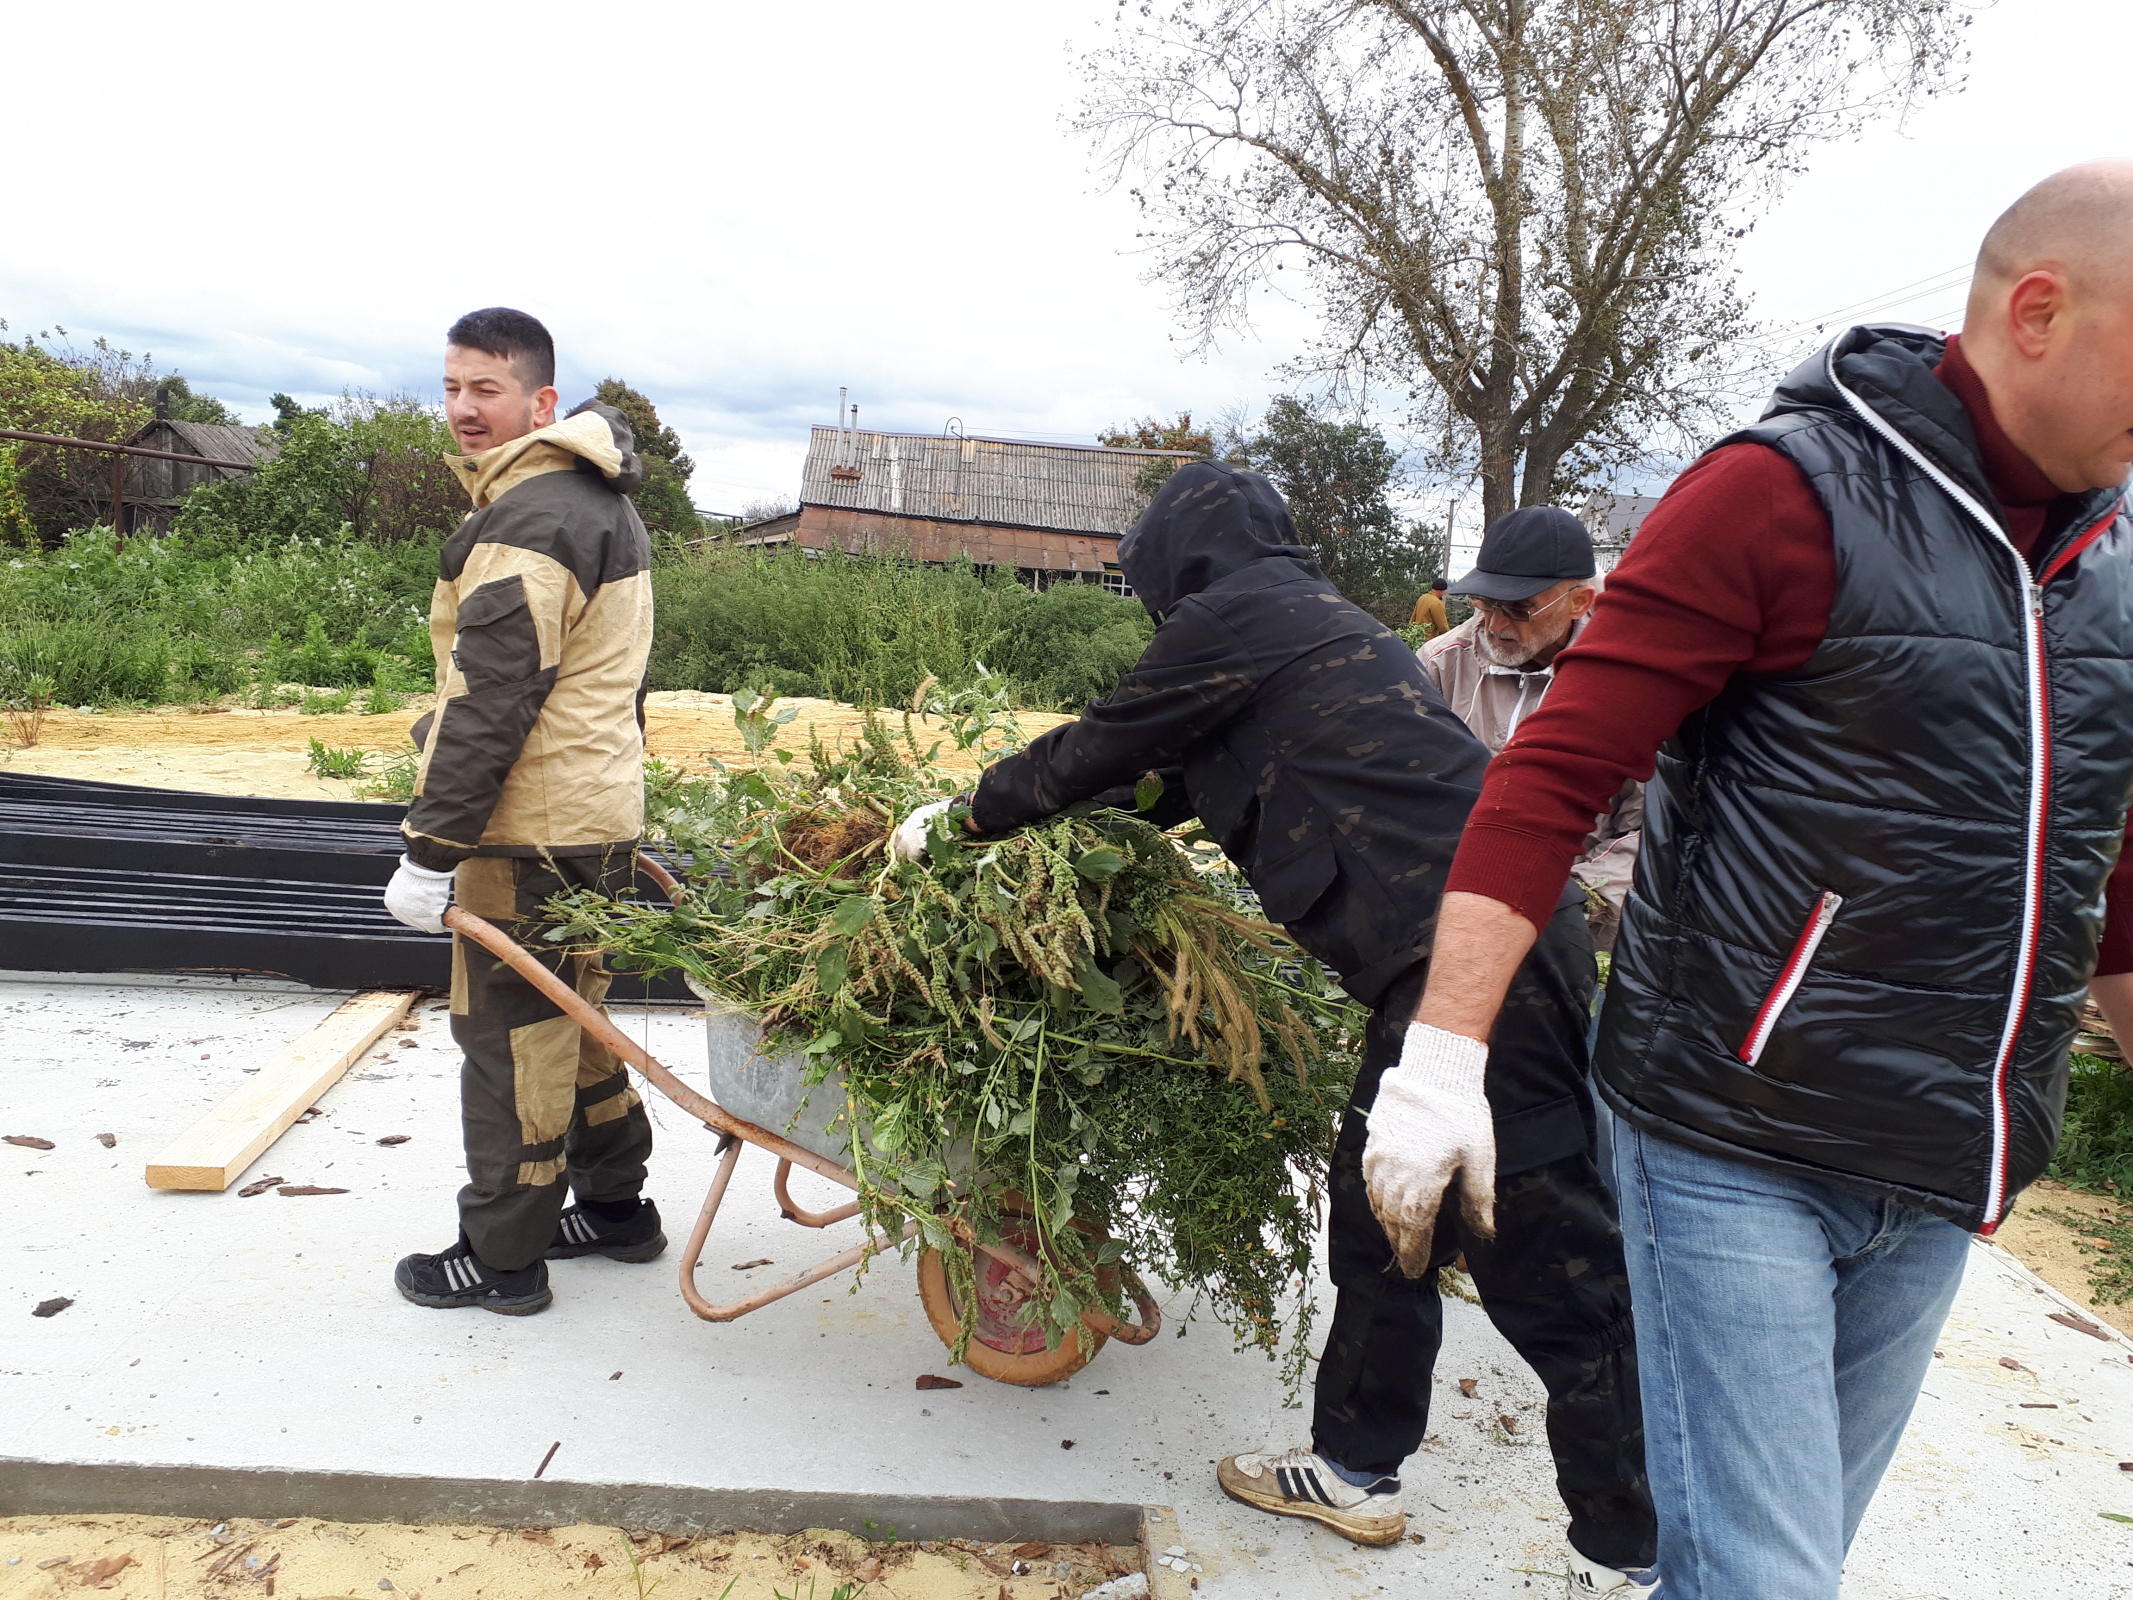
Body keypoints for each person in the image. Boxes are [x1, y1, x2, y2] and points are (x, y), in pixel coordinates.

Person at [1383, 162, 2133, 1599]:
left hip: (1946, 1161)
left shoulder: (2114, 564)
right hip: (1735, 1135)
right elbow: (1549, 780)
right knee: (1769, 1583)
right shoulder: (1778, 496)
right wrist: (1441, 1057)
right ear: (2039, 311)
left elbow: (2113, 871)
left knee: (1767, 1568)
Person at [895, 463, 1658, 1597]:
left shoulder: (1239, 616)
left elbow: (1102, 742)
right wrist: (1036, 835)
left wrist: (966, 815)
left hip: (1480, 974)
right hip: (1445, 965)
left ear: (1179, 558)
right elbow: (1161, 781)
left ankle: (1646, 1547)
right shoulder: (1300, 623)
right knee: (1384, 1212)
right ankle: (1354, 1470)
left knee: (1553, 1272)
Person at [380, 307, 662, 1316]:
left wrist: (430, 849)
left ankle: (502, 1257)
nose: (463, 407)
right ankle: (617, 1209)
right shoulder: (598, 503)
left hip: (531, 829)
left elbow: (490, 703)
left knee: (511, 1041)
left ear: (541, 402)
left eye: (486, 388)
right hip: (595, 813)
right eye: (452, 386)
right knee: (577, 1023)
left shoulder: (530, 520)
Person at [1420, 508, 1640, 950]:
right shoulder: (1441, 664)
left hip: (1572, 928)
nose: (1495, 625)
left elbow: (1650, 826)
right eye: (1485, 604)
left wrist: (1571, 908)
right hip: (1441, 909)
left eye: (1519, 609)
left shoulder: (1630, 686)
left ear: (1579, 602)